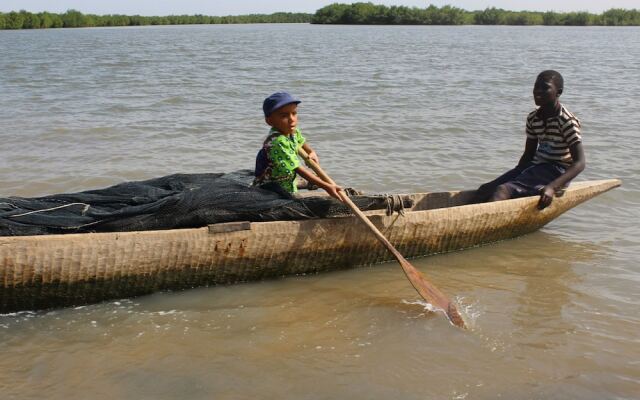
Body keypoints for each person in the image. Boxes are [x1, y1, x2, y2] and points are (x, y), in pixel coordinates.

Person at [472, 70, 586, 209]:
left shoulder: (567, 121)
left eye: (545, 88)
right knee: (485, 189)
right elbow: (528, 154)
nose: (538, 91)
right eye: (536, 87)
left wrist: (551, 188)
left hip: (557, 172)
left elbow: (579, 163)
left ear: (558, 92)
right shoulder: (533, 118)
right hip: (535, 166)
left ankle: (486, 226)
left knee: (503, 190)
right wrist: (515, 175)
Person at [253, 91, 342, 199]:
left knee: (304, 183)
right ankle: (305, 184)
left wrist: (310, 152)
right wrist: (326, 186)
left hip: (285, 179)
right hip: (271, 188)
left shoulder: (292, 131)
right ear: (269, 121)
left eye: (294, 113)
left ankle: (302, 184)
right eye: (284, 116)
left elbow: (300, 141)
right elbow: (298, 169)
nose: (291, 119)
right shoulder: (277, 142)